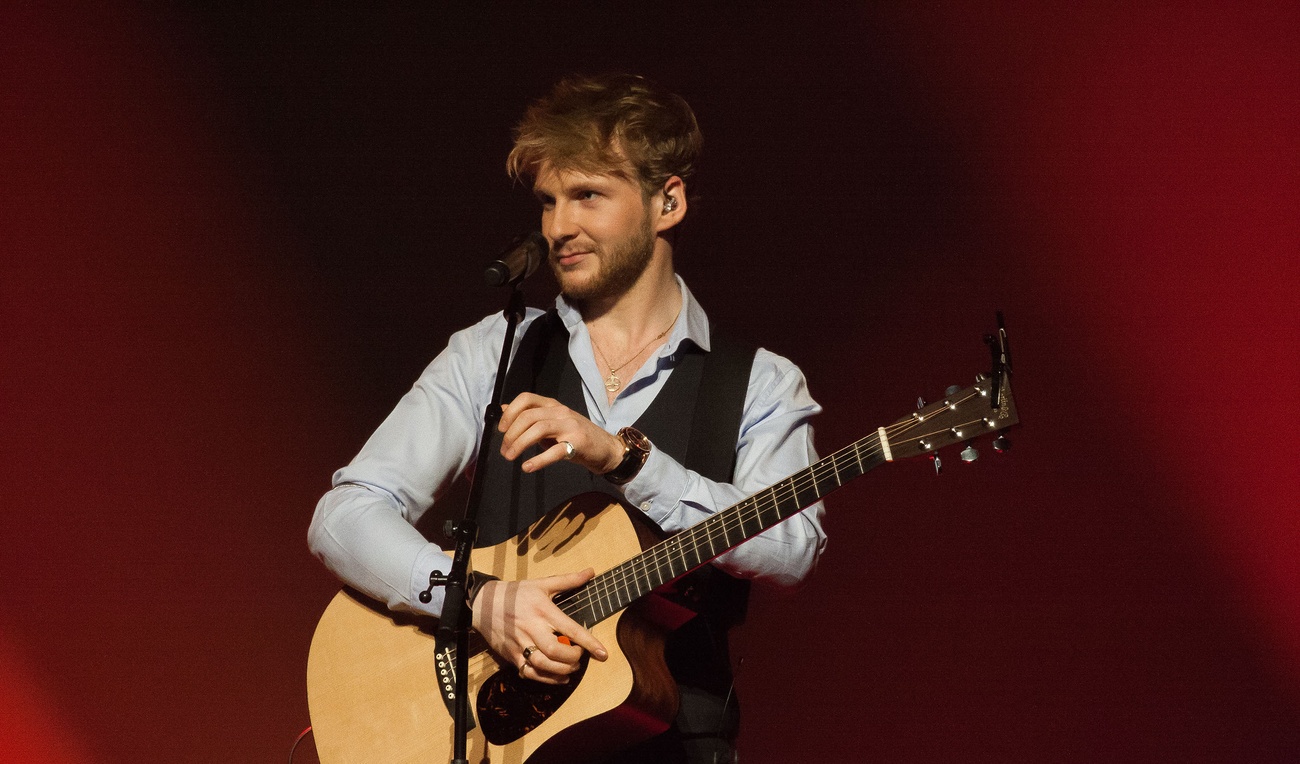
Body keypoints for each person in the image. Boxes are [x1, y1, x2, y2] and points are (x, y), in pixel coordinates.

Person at [308, 72, 827, 763]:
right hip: (502, 745)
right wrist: (479, 600)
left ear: (666, 201)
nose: (558, 227)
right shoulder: (494, 351)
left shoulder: (760, 382)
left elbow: (792, 548)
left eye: (588, 195)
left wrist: (627, 459)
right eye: (550, 201)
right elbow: (345, 514)